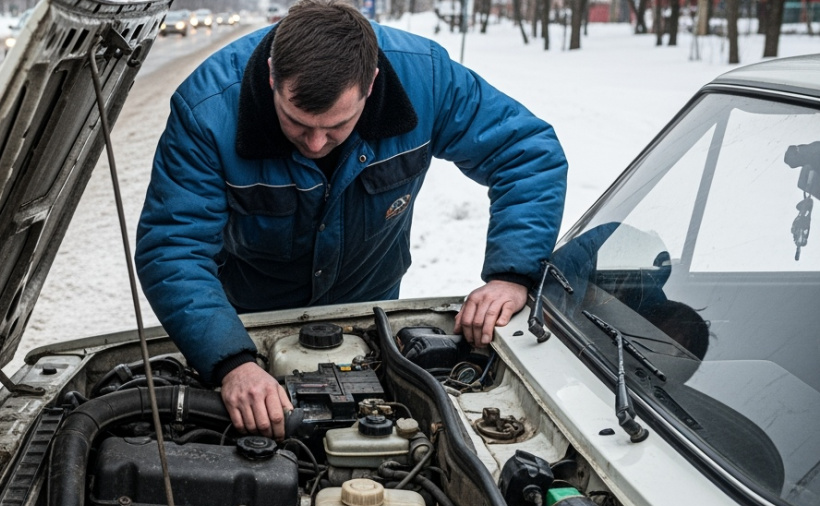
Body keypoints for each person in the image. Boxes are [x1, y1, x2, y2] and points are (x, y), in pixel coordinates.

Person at [134, 0, 568, 439]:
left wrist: (512, 275)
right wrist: (231, 362)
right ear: (271, 77)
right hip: (248, 319)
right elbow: (174, 247)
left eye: (337, 125)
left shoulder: (427, 79)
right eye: (297, 122)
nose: (315, 143)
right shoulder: (208, 111)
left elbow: (526, 154)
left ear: (371, 84)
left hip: (368, 312)